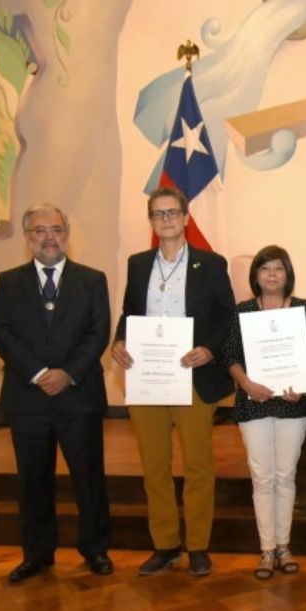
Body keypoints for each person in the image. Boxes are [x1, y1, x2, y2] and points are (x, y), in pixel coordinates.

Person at [110, 186, 235, 577]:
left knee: (198, 466)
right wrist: (119, 340)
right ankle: (165, 545)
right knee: (154, 468)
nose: (165, 219)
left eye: (172, 213)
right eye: (158, 214)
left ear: (185, 218)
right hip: (147, 377)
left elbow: (227, 316)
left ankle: (198, 546)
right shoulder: (137, 264)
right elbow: (129, 313)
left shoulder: (210, 264)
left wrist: (209, 349)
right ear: (151, 221)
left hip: (192, 375)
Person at [0, 203, 113, 582]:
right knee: (33, 481)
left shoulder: (92, 279)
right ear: (28, 237)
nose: (49, 237)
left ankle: (95, 550)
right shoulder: (8, 281)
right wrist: (41, 373)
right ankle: (37, 554)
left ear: (67, 234)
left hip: (79, 395)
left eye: (57, 229)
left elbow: (98, 333)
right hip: (28, 398)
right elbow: (2, 334)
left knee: (88, 479)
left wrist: (68, 374)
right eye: (40, 230)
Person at [222, 245, 306, 579]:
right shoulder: (243, 311)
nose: (272, 274)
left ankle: (284, 547)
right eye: (265, 268)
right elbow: (230, 356)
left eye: (278, 268)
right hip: (254, 402)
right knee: (262, 478)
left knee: (285, 476)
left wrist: (303, 384)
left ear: (288, 274)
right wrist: (247, 383)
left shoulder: (304, 309)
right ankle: (266, 549)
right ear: (256, 276)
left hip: (293, 404)